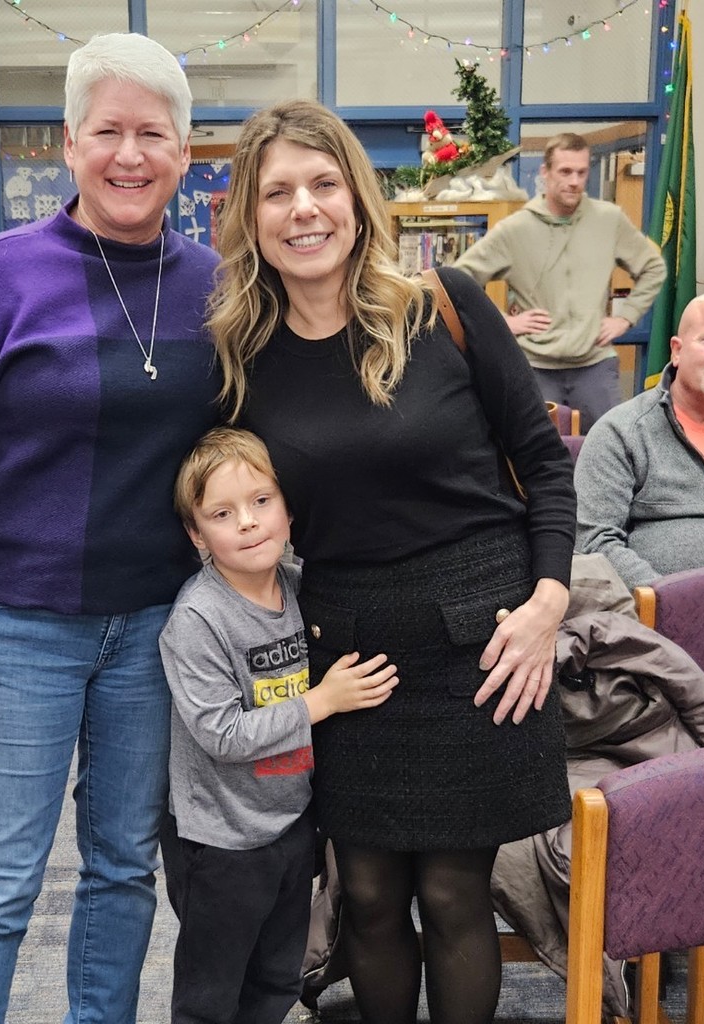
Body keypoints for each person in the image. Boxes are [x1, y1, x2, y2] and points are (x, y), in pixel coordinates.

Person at [208, 99, 577, 1024]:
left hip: (481, 646)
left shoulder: (444, 308)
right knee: (366, 897)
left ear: (359, 199)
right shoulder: (241, 359)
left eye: (324, 184)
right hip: (347, 654)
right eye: (278, 192)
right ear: (251, 216)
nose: (304, 210)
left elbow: (543, 468)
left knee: (454, 896)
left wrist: (547, 606)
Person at [0, 32, 222, 1024]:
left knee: (124, 871)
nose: (130, 154)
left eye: (152, 134)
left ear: (184, 150)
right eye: (108, 131)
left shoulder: (213, 282)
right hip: (15, 629)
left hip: (154, 631)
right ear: (70, 143)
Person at [159, 426, 399, 1024]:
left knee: (276, 979)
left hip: (291, 824)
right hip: (220, 843)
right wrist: (321, 702)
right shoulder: (197, 619)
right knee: (211, 995)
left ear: (288, 507)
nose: (247, 522)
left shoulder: (299, 589)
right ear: (196, 534)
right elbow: (222, 734)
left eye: (261, 501)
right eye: (222, 512)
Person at [454, 132, 666, 432]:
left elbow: (653, 268)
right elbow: (459, 281)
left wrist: (625, 318)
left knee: (613, 449)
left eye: (581, 172)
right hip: (534, 368)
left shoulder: (609, 219)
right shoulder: (516, 229)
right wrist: (502, 322)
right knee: (533, 455)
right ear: (545, 173)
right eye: (565, 171)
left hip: (595, 365)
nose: (574, 181)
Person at [575, 288, 704, 591]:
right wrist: (671, 603)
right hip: (648, 621)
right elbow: (593, 539)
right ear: (677, 350)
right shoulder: (621, 432)